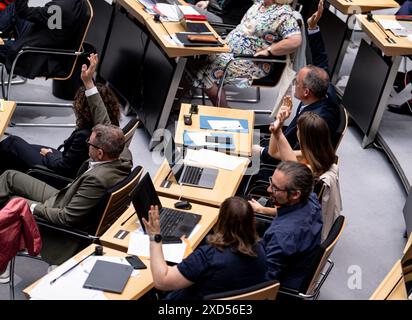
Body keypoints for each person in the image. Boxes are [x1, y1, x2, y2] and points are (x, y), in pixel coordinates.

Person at [0, 124, 132, 264]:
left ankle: (4, 257)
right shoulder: (122, 156)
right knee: (10, 176)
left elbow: (66, 217)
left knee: (12, 202)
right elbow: (104, 120)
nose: (87, 144)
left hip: (60, 213)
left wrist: (31, 207)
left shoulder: (97, 180)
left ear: (100, 153)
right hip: (64, 195)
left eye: (89, 143)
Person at [0, 53, 121, 179]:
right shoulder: (111, 128)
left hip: (57, 173)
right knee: (20, 148)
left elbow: (64, 168)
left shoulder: (86, 135)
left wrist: (49, 155)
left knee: (11, 143)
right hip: (65, 160)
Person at [259, 0, 340, 165]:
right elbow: (321, 60)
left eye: (297, 83)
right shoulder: (325, 88)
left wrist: (262, 151)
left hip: (281, 161)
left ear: (306, 92)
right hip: (282, 137)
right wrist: (312, 27)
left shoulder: (316, 122)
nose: (294, 84)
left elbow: (301, 156)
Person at [143, 197, 267, 300]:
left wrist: (155, 237)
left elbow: (162, 281)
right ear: (252, 221)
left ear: (221, 221)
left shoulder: (208, 256)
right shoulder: (261, 251)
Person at [188, 0, 302, 107]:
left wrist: (269, 50)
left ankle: (224, 112)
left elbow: (295, 40)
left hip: (251, 61)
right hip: (228, 50)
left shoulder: (283, 14)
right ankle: (175, 99)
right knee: (191, 58)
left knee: (203, 71)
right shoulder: (259, 4)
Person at [251, 110, 342, 240]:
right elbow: (274, 152)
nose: (296, 132)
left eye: (298, 129)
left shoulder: (307, 170)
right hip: (286, 210)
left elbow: (295, 212)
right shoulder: (318, 154)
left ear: (303, 136)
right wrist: (279, 125)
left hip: (281, 218)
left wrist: (261, 210)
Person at [255, 161, 323, 290]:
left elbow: (264, 281)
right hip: (297, 264)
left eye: (275, 188)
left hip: (282, 283)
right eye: (271, 182)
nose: (268, 189)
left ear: (295, 194)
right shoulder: (311, 199)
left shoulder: (283, 236)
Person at [0, 0, 89, 78]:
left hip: (32, 51)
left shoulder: (58, 9)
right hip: (44, 35)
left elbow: (24, 12)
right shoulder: (71, 3)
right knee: (13, 7)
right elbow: (50, 21)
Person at [188, 0, 253, 25]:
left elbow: (224, 9)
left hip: (224, 23)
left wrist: (209, 5)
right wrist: (207, 3)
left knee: (187, 8)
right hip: (217, 13)